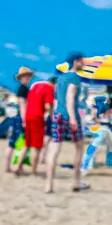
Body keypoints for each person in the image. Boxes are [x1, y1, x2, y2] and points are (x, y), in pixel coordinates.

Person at [45, 53, 89, 193]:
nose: (84, 64)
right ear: (76, 62)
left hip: (58, 115)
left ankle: (49, 184)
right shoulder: (75, 78)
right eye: (82, 61)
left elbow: (57, 99)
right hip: (70, 116)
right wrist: (73, 118)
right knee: (79, 148)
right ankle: (76, 182)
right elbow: (70, 97)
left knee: (54, 149)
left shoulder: (60, 78)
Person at [23, 75, 55, 175]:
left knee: (27, 144)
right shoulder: (49, 88)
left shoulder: (35, 86)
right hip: (38, 117)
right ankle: (33, 170)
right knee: (36, 147)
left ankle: (18, 167)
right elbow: (47, 105)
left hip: (28, 115)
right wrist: (52, 115)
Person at [7, 67, 35, 174]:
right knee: (23, 143)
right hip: (22, 118)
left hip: (19, 117)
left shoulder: (22, 88)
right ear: (22, 77)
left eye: (29, 75)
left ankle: (9, 167)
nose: (28, 77)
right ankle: (18, 167)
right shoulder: (23, 89)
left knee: (13, 143)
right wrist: (25, 120)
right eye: (26, 75)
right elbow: (23, 105)